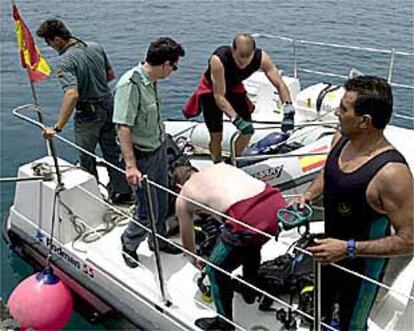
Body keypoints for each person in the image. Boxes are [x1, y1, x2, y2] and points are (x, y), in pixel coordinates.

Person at [293, 76, 414, 330]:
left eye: (344, 109)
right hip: (330, 252)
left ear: (365, 121)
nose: (336, 112)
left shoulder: (392, 173)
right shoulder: (342, 138)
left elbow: (410, 239)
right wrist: (308, 195)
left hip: (361, 270)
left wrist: (347, 248)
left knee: (353, 325)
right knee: (319, 311)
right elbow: (329, 173)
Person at [173, 163, 287, 330]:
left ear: (178, 186)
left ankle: (223, 324)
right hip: (276, 205)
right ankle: (250, 291)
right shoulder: (218, 167)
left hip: (247, 217)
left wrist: (194, 258)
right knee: (251, 245)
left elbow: (187, 240)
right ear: (196, 171)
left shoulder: (183, 196)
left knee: (215, 271)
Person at [36, 19, 131, 203]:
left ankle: (92, 198)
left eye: (48, 42)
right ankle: (123, 193)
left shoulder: (64, 62)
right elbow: (110, 75)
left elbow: (72, 94)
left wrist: (57, 127)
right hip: (109, 105)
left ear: (57, 39)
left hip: (88, 114)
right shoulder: (95, 47)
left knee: (86, 156)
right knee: (112, 151)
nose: (50, 46)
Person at [113, 37, 185, 268]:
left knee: (163, 200)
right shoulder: (130, 85)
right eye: (174, 66)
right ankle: (129, 242)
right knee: (146, 209)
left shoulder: (150, 81)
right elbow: (123, 126)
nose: (174, 71)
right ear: (165, 64)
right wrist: (131, 166)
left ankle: (158, 240)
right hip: (141, 156)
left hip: (157, 149)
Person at [183, 33, 295, 163]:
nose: (244, 63)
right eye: (240, 59)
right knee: (216, 135)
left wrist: (288, 111)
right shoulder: (218, 60)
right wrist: (235, 119)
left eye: (248, 59)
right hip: (212, 91)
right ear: (233, 50)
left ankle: (232, 161)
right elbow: (219, 96)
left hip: (235, 88)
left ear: (254, 52)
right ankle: (218, 163)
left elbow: (280, 84)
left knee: (248, 131)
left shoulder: (262, 58)